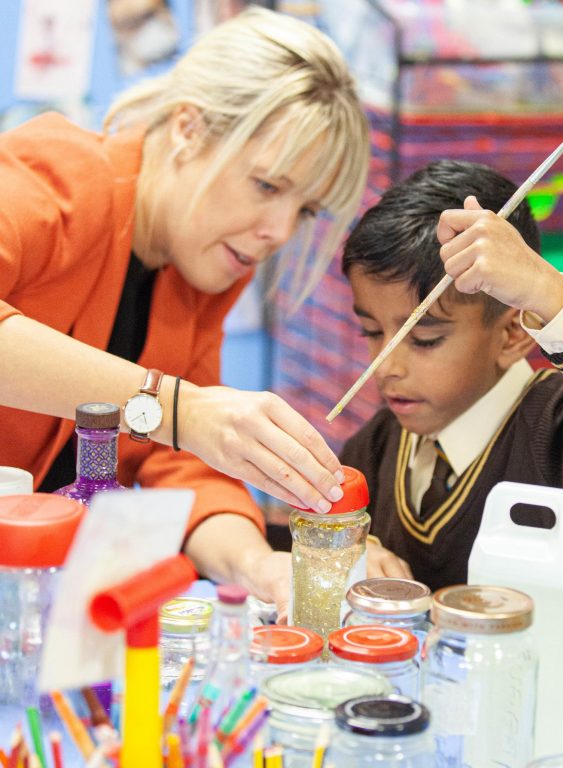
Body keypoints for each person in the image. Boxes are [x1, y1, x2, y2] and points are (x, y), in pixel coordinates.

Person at [0, 7, 370, 617]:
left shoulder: (198, 273)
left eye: (305, 211)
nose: (278, 231)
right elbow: (179, 420)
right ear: (188, 129)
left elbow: (181, 467)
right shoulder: (58, 177)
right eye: (267, 186)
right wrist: (177, 409)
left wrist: (258, 565)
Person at [339, 159, 563, 590]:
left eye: (424, 339)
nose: (385, 365)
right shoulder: (378, 445)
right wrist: (347, 553)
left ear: (513, 332)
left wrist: (546, 291)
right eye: (370, 331)